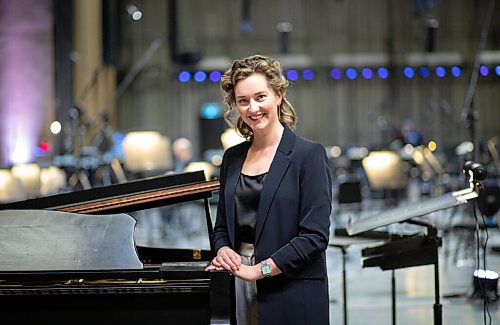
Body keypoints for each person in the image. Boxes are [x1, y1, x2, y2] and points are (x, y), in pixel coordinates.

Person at [205, 54, 333, 325]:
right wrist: (223, 250)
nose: (253, 108)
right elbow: (221, 229)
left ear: (279, 94)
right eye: (243, 101)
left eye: (260, 97)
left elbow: (314, 236)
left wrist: (258, 270)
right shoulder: (232, 158)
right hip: (239, 283)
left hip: (291, 287)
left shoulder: (308, 155)